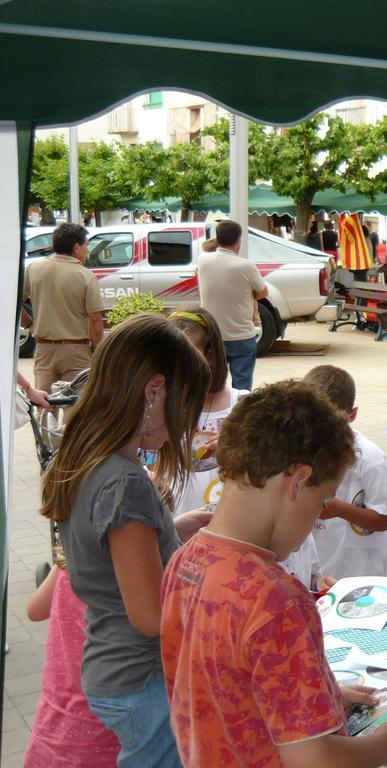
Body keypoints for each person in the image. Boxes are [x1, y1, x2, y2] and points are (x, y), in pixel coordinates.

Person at [160, 381, 387, 767]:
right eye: (320, 502)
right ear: (297, 482)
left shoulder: (185, 561)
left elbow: (227, 687)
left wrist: (325, 696)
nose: (316, 517)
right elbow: (313, 760)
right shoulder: (278, 602)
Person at [40, 313, 214, 767]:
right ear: (154, 391)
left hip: (115, 671)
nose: (184, 423)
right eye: (185, 406)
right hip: (144, 680)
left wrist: (171, 531)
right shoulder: (125, 483)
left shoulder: (88, 462)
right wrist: (213, 582)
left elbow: (109, 560)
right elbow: (151, 616)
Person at [23, 552, 121, 768]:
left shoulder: (71, 560)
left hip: (56, 722)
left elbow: (35, 610)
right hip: (102, 728)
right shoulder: (121, 572)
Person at [304, 365, 387, 579]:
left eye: (333, 423)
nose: (323, 433)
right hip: (318, 570)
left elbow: (384, 520)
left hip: (359, 574)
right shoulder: (303, 450)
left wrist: (339, 509)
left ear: (352, 414)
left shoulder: (371, 459)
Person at [167, 308, 245, 517]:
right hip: (176, 525)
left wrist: (237, 448)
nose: (176, 366)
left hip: (228, 523)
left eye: (186, 356)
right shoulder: (160, 408)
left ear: (211, 355)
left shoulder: (242, 405)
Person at [22, 222, 104, 392]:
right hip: (76, 351)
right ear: (76, 247)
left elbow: (14, 304)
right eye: (86, 245)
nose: (87, 250)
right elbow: (95, 321)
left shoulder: (33, 269)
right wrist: (99, 352)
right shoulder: (86, 276)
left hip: (44, 349)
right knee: (75, 406)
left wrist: (30, 324)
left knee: (44, 404)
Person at [197, 219, 268, 391]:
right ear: (239, 241)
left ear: (217, 238)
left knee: (212, 386)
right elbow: (263, 292)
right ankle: (238, 415)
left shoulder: (203, 261)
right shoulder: (246, 265)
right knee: (242, 388)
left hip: (213, 335)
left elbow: (206, 247)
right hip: (242, 336)